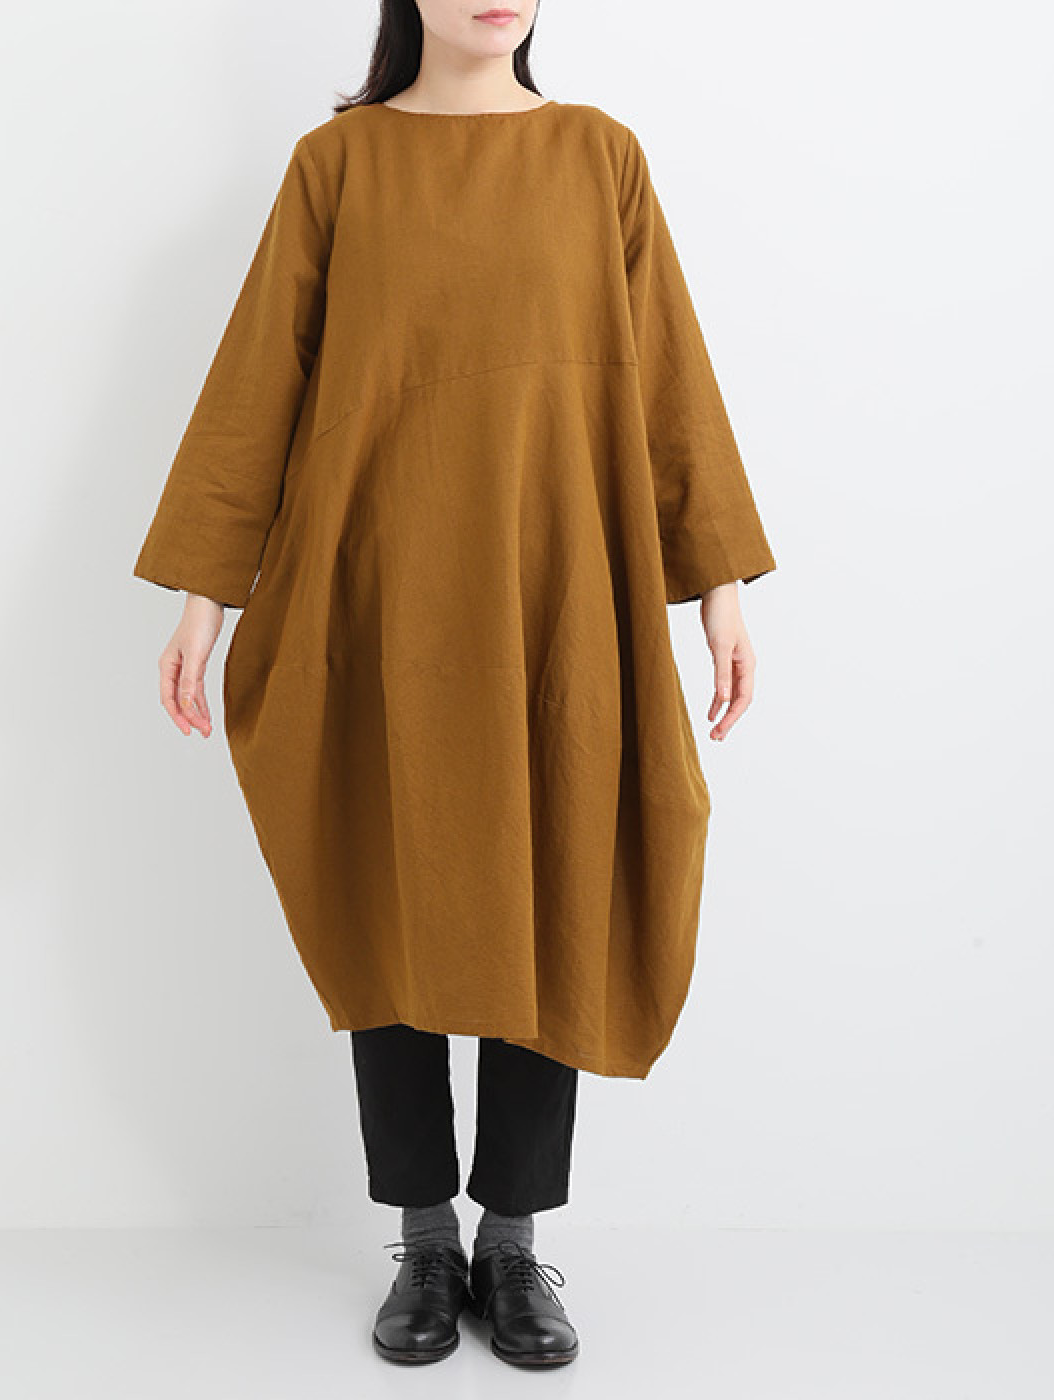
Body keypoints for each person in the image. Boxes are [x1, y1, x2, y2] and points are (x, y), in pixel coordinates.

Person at [132, 0, 777, 1370]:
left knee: (557, 887)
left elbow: (668, 371)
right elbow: (259, 383)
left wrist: (718, 580)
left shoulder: (599, 155)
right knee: (391, 889)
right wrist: (204, 595)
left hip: (560, 593)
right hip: (380, 590)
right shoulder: (339, 166)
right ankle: (424, 1237)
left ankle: (513, 1241)